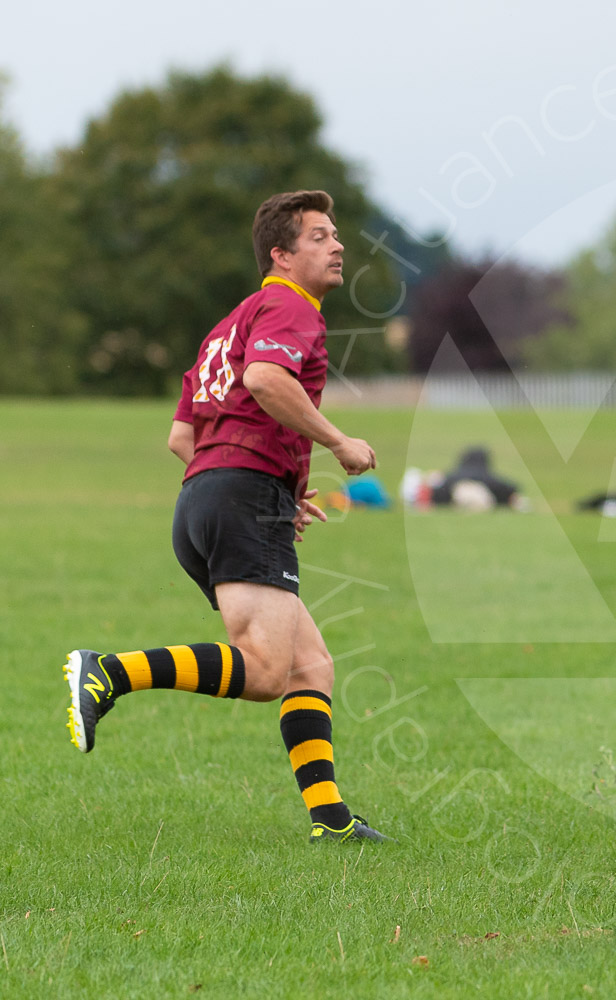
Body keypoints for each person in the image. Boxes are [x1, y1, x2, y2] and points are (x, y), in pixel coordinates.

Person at [63, 190, 391, 845]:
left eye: (336, 235)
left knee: (310, 666)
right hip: (239, 501)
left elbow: (182, 437)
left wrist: (276, 480)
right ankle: (108, 671)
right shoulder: (290, 307)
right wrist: (336, 443)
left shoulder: (229, 324)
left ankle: (330, 820)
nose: (337, 245)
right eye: (320, 236)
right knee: (267, 672)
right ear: (281, 254)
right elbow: (270, 381)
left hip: (205, 499)